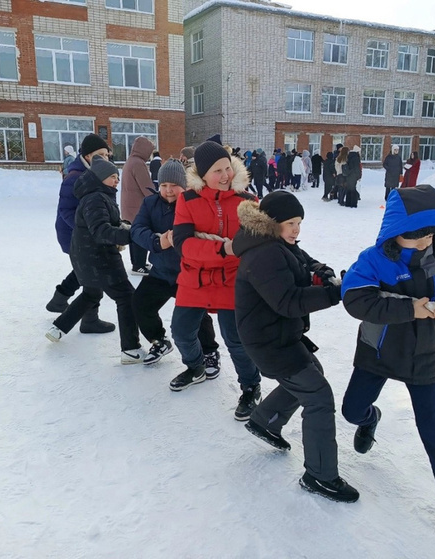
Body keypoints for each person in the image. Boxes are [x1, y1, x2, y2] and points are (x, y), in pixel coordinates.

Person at [340, 185, 435, 551]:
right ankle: (370, 418)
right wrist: (409, 309)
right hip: (379, 350)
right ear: (393, 230)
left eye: (430, 234)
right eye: (415, 235)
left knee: (433, 428)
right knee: (351, 411)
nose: (424, 242)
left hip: (422, 353)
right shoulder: (373, 259)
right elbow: (354, 299)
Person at [233, 191, 359, 503]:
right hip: (269, 341)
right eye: (290, 223)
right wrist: (335, 295)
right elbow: (288, 301)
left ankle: (265, 421)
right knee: (318, 395)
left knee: (311, 373)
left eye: (299, 222)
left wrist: (322, 272)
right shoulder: (264, 255)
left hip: (278, 335)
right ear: (272, 222)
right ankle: (320, 475)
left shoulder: (275, 244)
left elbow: (302, 259)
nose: (296, 229)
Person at [169, 140, 262, 420]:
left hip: (233, 281)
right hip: (194, 279)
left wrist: (213, 248)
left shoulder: (248, 202)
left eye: (227, 168)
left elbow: (254, 245)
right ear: (202, 174)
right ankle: (197, 366)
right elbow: (183, 244)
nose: (225, 176)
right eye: (217, 171)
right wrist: (225, 248)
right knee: (182, 332)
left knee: (236, 341)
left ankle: (250, 386)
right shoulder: (188, 200)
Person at [45, 155, 146, 364]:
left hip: (84, 258)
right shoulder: (96, 198)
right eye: (111, 176)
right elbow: (101, 231)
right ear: (99, 178)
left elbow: (105, 223)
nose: (116, 180)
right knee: (127, 297)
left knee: (91, 294)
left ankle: (59, 327)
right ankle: (130, 349)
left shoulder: (98, 197)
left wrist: (123, 225)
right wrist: (130, 235)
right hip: (100, 259)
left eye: (117, 176)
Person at [130, 159, 221, 372]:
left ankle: (209, 351)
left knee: (197, 317)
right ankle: (159, 340)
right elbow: (136, 229)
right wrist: (156, 241)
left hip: (188, 274)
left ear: (184, 185)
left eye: (174, 186)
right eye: (163, 186)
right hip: (161, 272)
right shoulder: (150, 203)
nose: (168, 191)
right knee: (140, 304)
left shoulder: (194, 202)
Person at [46, 134, 114, 334]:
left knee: (84, 270)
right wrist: (87, 231)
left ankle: (59, 300)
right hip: (75, 236)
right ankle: (89, 320)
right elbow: (66, 210)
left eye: (106, 155)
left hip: (86, 235)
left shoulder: (96, 173)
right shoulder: (75, 176)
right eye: (98, 155)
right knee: (91, 274)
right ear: (86, 155)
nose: (104, 158)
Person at [121, 137, 156, 275]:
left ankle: (137, 263)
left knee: (134, 235)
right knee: (140, 235)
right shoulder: (138, 163)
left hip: (129, 207)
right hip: (137, 208)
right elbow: (146, 186)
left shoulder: (130, 161)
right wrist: (156, 198)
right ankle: (139, 265)